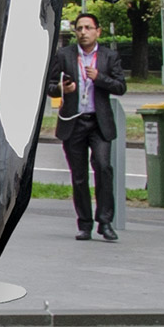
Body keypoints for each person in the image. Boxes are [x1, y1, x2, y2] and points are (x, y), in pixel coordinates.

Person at [44, 12, 126, 241]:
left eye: (88, 28)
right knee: (79, 176)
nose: (83, 32)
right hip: (74, 122)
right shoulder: (64, 55)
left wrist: (99, 78)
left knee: (103, 168)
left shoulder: (109, 57)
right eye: (79, 28)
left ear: (97, 31)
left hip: (99, 123)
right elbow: (49, 86)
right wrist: (61, 89)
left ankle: (105, 222)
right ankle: (85, 224)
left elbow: (121, 86)